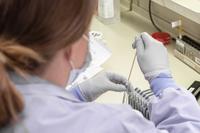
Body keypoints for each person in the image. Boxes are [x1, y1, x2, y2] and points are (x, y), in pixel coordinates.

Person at [0, 0, 200, 133]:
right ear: (68, 45)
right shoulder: (116, 124)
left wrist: (75, 96)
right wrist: (162, 80)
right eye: (88, 28)